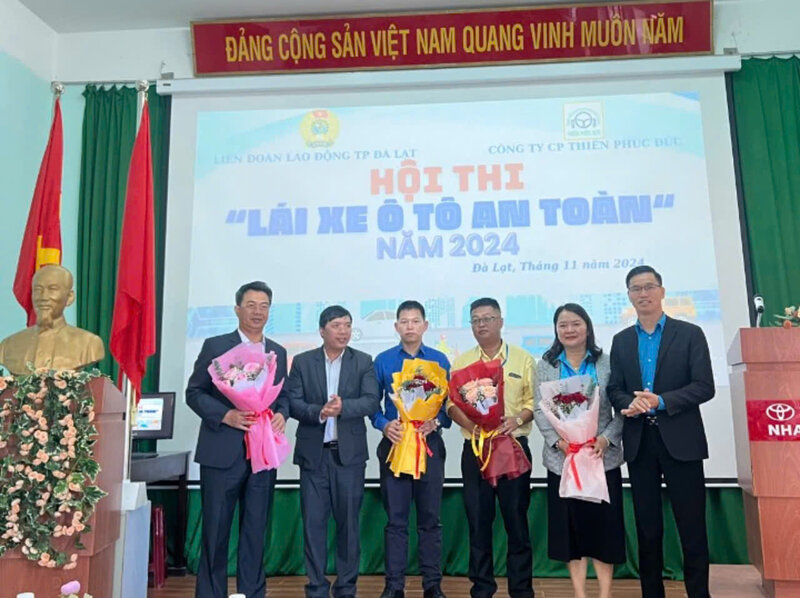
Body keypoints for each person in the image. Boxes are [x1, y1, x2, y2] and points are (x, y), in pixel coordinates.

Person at [607, 265, 715, 598]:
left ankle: (699, 593)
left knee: (692, 525)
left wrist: (662, 401)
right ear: (628, 296)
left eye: (649, 287)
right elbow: (615, 388)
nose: (643, 294)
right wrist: (633, 403)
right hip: (640, 442)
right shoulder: (622, 341)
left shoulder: (690, 333)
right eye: (635, 289)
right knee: (647, 527)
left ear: (662, 291)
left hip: (681, 440)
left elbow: (704, 386)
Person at [186, 281, 289, 598]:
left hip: (262, 454)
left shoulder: (278, 352)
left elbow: (282, 396)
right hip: (221, 453)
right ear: (237, 309)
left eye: (264, 305)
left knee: (255, 531)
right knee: (216, 531)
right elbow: (195, 392)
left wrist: (282, 413)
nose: (258, 311)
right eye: (251, 304)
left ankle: (253, 593)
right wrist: (225, 415)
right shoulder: (217, 346)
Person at [286, 305, 380, 598]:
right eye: (337, 325)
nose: (343, 331)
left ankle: (346, 589)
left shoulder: (363, 361)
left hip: (349, 458)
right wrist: (320, 412)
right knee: (313, 527)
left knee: (349, 528)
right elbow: (293, 402)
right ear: (322, 330)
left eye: (348, 325)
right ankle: (315, 589)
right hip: (314, 458)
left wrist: (343, 408)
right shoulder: (302, 362)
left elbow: (371, 401)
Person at [533, 304, 625, 598]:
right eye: (563, 325)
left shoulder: (607, 363)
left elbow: (620, 408)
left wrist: (606, 439)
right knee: (571, 532)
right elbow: (539, 408)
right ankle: (580, 594)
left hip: (601, 459)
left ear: (587, 326)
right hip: (563, 460)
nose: (569, 330)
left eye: (575, 324)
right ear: (556, 329)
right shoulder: (546, 365)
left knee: (604, 531)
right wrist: (557, 442)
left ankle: (605, 594)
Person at [446, 297, 535, 598]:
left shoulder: (523, 358)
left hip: (513, 447)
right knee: (478, 522)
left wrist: (519, 417)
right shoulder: (461, 362)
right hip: (476, 451)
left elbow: (534, 402)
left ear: (500, 321)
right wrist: (473, 428)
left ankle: (521, 590)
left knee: (516, 522)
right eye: (475, 320)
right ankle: (482, 589)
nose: (481, 324)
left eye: (487, 318)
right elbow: (450, 404)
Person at [372, 300, 451, 598]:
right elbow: (371, 405)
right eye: (404, 321)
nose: (409, 326)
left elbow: (449, 406)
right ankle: (394, 586)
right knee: (396, 521)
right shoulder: (382, 360)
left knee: (431, 520)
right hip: (395, 448)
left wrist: (438, 422)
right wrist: (383, 424)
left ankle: (432, 585)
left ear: (425, 326)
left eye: (415, 321)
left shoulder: (441, 361)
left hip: (429, 447)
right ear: (396, 327)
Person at [0, 264, 104, 374]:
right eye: (38, 290)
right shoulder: (7, 346)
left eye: (52, 289)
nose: (43, 297)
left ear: (69, 297)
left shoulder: (89, 344)